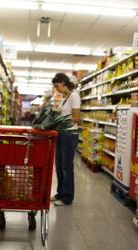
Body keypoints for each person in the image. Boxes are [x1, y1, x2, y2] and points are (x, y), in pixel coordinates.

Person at [51, 73, 81, 206]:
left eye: (57, 86)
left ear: (63, 82)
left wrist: (60, 120)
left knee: (66, 167)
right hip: (61, 134)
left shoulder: (74, 96)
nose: (56, 89)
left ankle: (67, 197)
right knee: (59, 166)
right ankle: (60, 193)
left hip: (69, 135)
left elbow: (76, 118)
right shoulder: (65, 97)